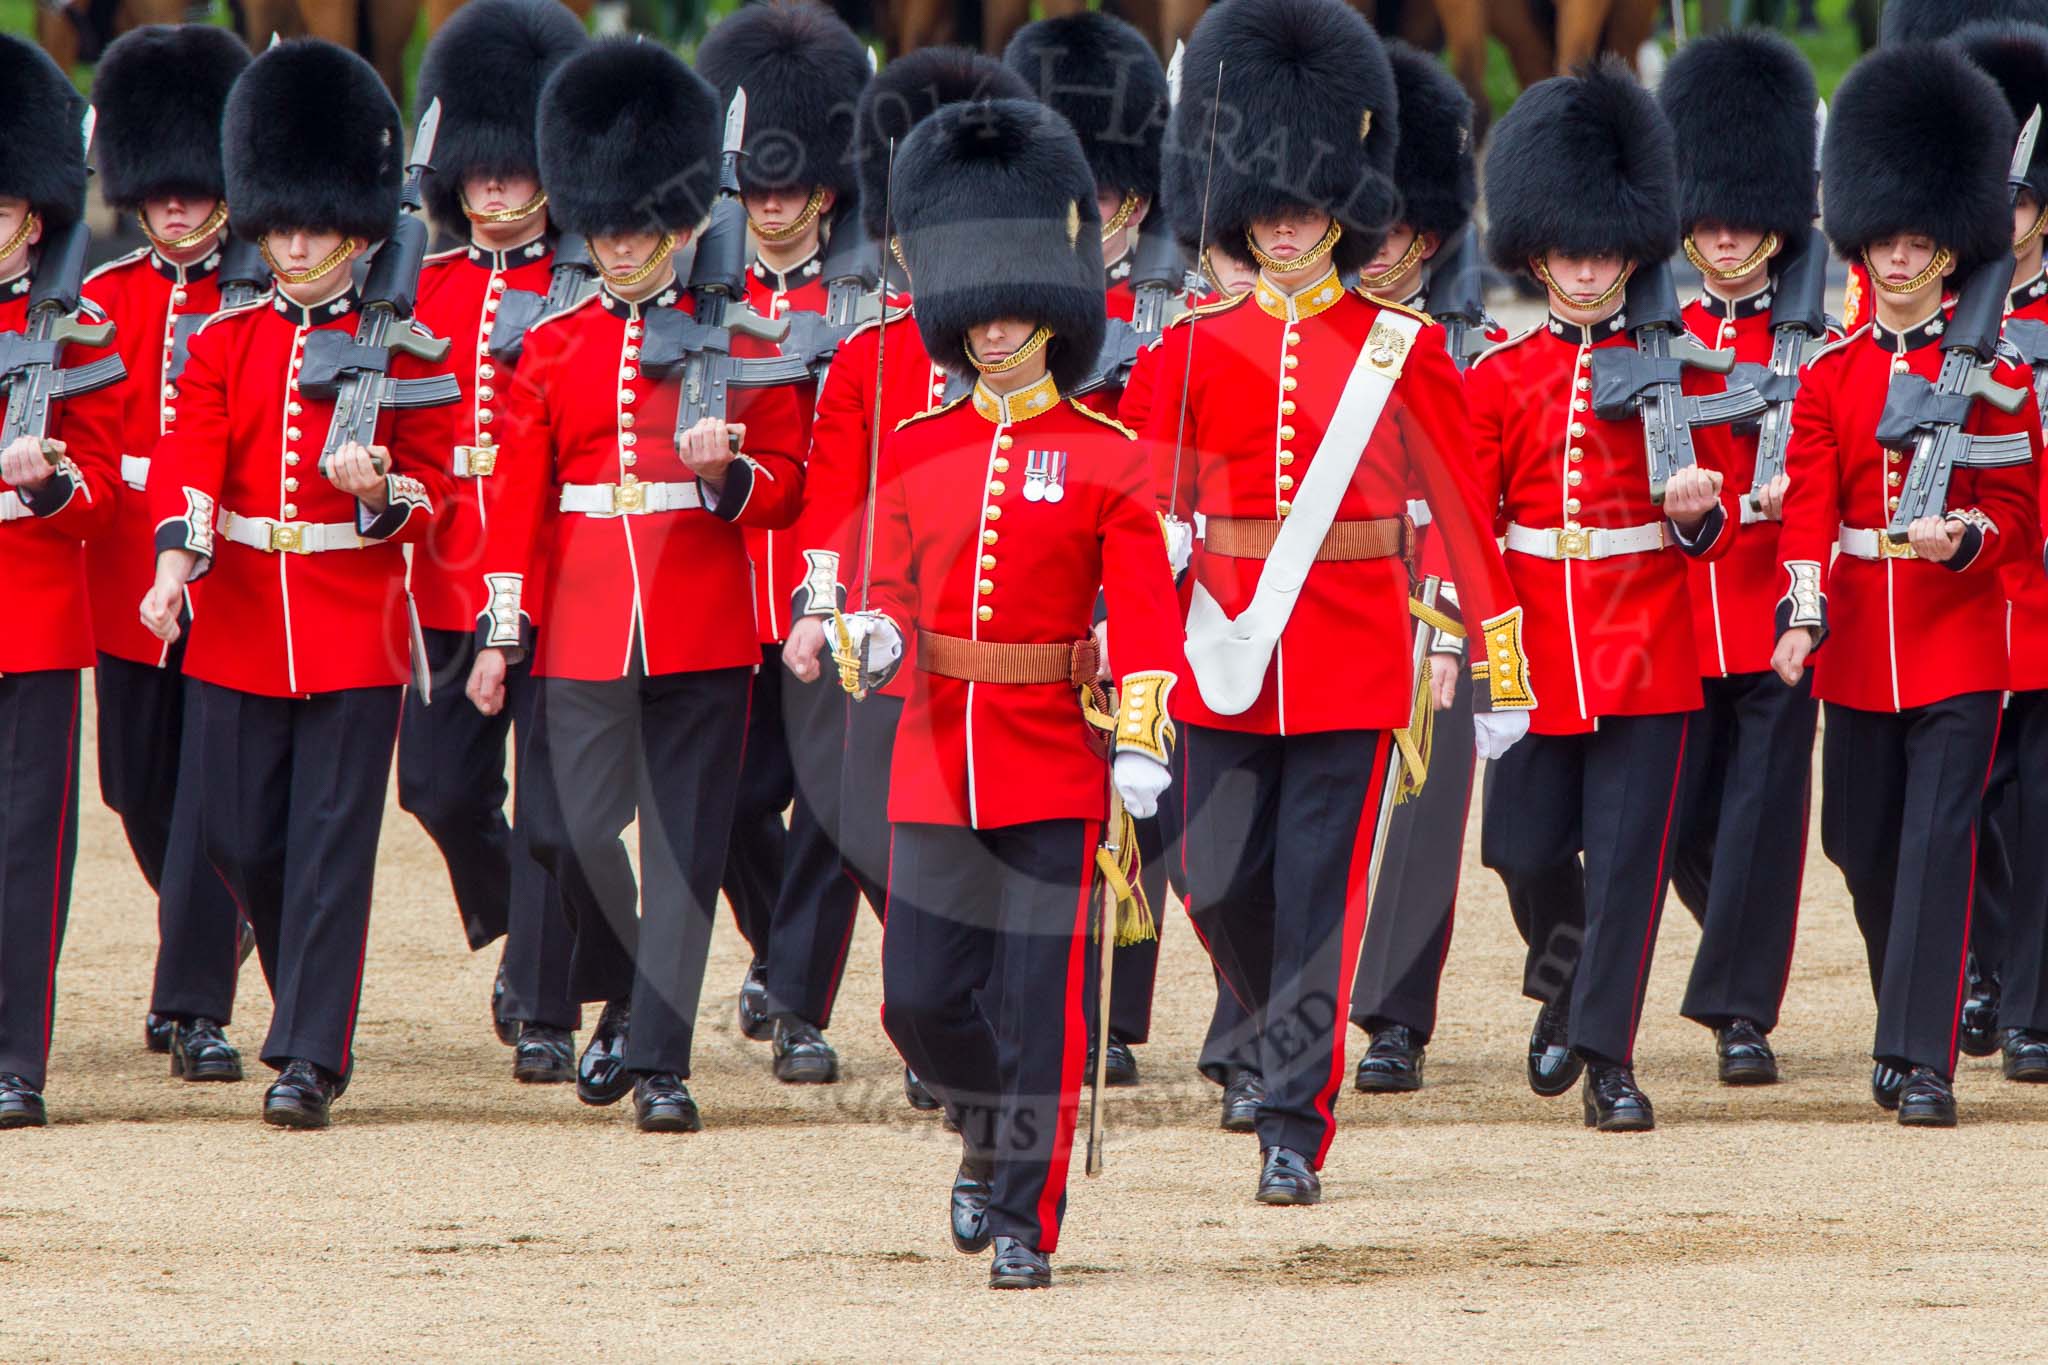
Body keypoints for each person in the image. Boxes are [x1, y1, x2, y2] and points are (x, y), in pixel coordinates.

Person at [1148, 0, 1532, 1205]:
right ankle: (1279, 1027)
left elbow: (1459, 511)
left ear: (1341, 210)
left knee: (1321, 892)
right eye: (1266, 209)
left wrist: (1497, 655)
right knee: (1212, 880)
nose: (1284, 226)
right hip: (1221, 648)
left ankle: (1291, 1123)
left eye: (1306, 207)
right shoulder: (1187, 346)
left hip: (1351, 651)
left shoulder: (1400, 348)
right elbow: (1147, 511)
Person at [835, 95, 1181, 1291]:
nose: (990, 330)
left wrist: (1141, 729)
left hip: (1052, 756)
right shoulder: (916, 445)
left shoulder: (1105, 454)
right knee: (916, 1001)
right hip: (936, 754)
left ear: (1054, 309)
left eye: (1012, 308)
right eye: (973, 310)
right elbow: (887, 583)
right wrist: (874, 632)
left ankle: (1027, 1217)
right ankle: (985, 1134)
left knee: (1043, 1007)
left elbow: (1143, 609)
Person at [464, 37, 806, 1133]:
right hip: (580, 624)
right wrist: (501, 630)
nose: (617, 245)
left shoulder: (743, 336)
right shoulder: (552, 344)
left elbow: (788, 486)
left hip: (700, 622)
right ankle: (617, 989)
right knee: (559, 831)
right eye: (604, 225)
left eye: (636, 225)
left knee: (684, 852)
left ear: (680, 222)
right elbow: (518, 500)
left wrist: (728, 477)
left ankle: (661, 1061)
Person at [140, 39, 456, 1129]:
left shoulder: (406, 347)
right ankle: (304, 998)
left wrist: (381, 491)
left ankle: (311, 1054)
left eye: (315, 228)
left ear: (355, 229)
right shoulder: (225, 340)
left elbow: (436, 493)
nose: (296, 246)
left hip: (352, 621)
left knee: (331, 848)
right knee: (234, 836)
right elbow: (189, 458)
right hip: (237, 621)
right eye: (281, 228)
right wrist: (173, 568)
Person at [1472, 58, 1740, 1133]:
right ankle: (1565, 977)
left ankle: (1608, 1060)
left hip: (1645, 642)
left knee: (1628, 865)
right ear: (1536, 254)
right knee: (1520, 848)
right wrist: (1477, 648)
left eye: (1602, 253)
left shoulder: (1686, 369)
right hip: (1536, 644)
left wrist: (1696, 513)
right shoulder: (1498, 374)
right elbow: (1473, 520)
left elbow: (1717, 522)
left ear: (1631, 253)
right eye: (1567, 253)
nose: (1585, 271)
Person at [1777, 42, 2041, 1127]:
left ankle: (1920, 1056)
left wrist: (1962, 537)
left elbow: (2018, 510)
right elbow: (1806, 506)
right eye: (1884, 239)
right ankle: (1912, 1001)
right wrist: (1801, 611)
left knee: (1938, 843)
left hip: (1957, 637)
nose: (1897, 257)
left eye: (1918, 242)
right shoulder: (1830, 373)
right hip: (1856, 643)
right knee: (1859, 841)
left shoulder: (1999, 376)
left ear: (1947, 249)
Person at [776, 47, 1032, 1114]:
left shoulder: (1029, 364)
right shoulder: (868, 357)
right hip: (885, 639)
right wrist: (815, 605)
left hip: (994, 641)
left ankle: (971, 1022)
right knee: (865, 828)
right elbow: (833, 493)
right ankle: (950, 1002)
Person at [404, 0, 588, 1081]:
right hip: (445, 575)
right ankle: (518, 925)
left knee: (554, 800)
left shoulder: (579, 290)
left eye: (516, 169)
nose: (496, 186)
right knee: (434, 785)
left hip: (555, 574)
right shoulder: (425, 287)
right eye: (480, 169)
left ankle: (544, 1002)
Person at [695, 0, 871, 1082]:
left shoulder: (871, 296)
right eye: (755, 185)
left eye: (789, 185)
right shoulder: (703, 287)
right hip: (726, 581)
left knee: (830, 807)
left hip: (833, 576)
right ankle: (776, 953)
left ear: (826, 189)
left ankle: (799, 1004)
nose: (770, 204)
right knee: (724, 801)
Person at [82, 22, 252, 1082]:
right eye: (162, 191)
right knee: (134, 787)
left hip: (229, 573)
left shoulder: (257, 297)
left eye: (195, 189)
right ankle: (220, 916)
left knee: (205, 795)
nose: (178, 208)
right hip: (122, 576)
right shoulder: (103, 297)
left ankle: (193, 1004)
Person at [1656, 28, 1824, 1087]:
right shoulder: (1657, 336)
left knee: (1763, 813)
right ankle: (1741, 943)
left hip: (1778, 605)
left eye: (1744, 220)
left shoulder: (1820, 340)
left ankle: (1738, 1011)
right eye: (1708, 219)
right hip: (1680, 608)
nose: (1724, 237)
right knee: (1678, 826)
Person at [1005, 8, 1170, 1084]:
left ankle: (1111, 1012)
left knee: (1136, 798)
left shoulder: (1170, 307)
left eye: (1102, 200)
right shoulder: (1008, 303)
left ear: (1134, 204)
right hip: (1031, 576)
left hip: (1135, 567)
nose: (1084, 217)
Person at [1346, 39, 1490, 1097]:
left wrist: (1442, 615)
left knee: (1423, 804)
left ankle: (1394, 1016)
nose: (1372, 249)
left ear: (1425, 240)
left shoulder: (1461, 347)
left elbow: (1466, 494)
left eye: (1391, 232)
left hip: (1427, 587)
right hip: (1324, 584)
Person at [0, 33, 123, 1129]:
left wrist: (48, 486)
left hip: (32, 613)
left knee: (24, 847)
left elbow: (106, 498)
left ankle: (14, 1059)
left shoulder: (77, 331)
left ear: (34, 220)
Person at [1951, 18, 2048, 1083]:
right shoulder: (1932, 321)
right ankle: (1977, 962)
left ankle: (2029, 1004)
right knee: (1966, 798)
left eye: (2018, 201)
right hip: (1967, 587)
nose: (2004, 219)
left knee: (2038, 800)